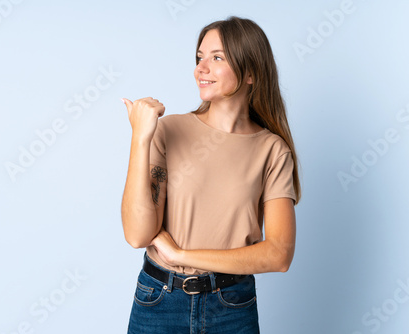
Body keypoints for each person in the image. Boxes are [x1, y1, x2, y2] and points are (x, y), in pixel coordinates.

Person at [121, 15, 301, 334]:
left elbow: (278, 254)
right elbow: (137, 234)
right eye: (199, 58)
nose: (200, 68)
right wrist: (140, 138)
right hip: (159, 301)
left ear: (250, 73)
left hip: (231, 305)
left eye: (216, 57)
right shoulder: (168, 131)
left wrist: (182, 254)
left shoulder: (272, 151)